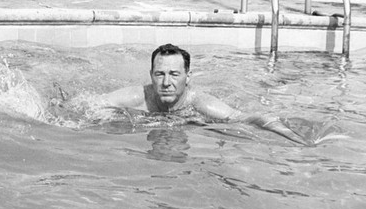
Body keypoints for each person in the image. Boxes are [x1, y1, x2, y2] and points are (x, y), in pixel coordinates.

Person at [100, 43, 307, 145]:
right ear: (151, 76)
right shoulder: (137, 98)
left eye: (174, 74)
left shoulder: (200, 104)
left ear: (187, 77)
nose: (166, 82)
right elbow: (86, 105)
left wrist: (291, 136)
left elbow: (246, 117)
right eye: (159, 74)